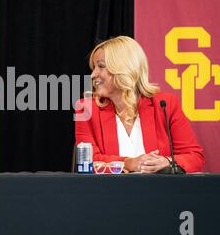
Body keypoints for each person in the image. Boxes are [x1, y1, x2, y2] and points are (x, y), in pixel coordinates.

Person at [75, 36, 205, 173]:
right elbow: (87, 161)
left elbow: (195, 157)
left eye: (101, 66)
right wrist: (128, 163)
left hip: (160, 191)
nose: (93, 74)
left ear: (124, 68)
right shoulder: (86, 108)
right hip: (109, 192)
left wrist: (167, 162)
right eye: (94, 67)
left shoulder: (165, 105)